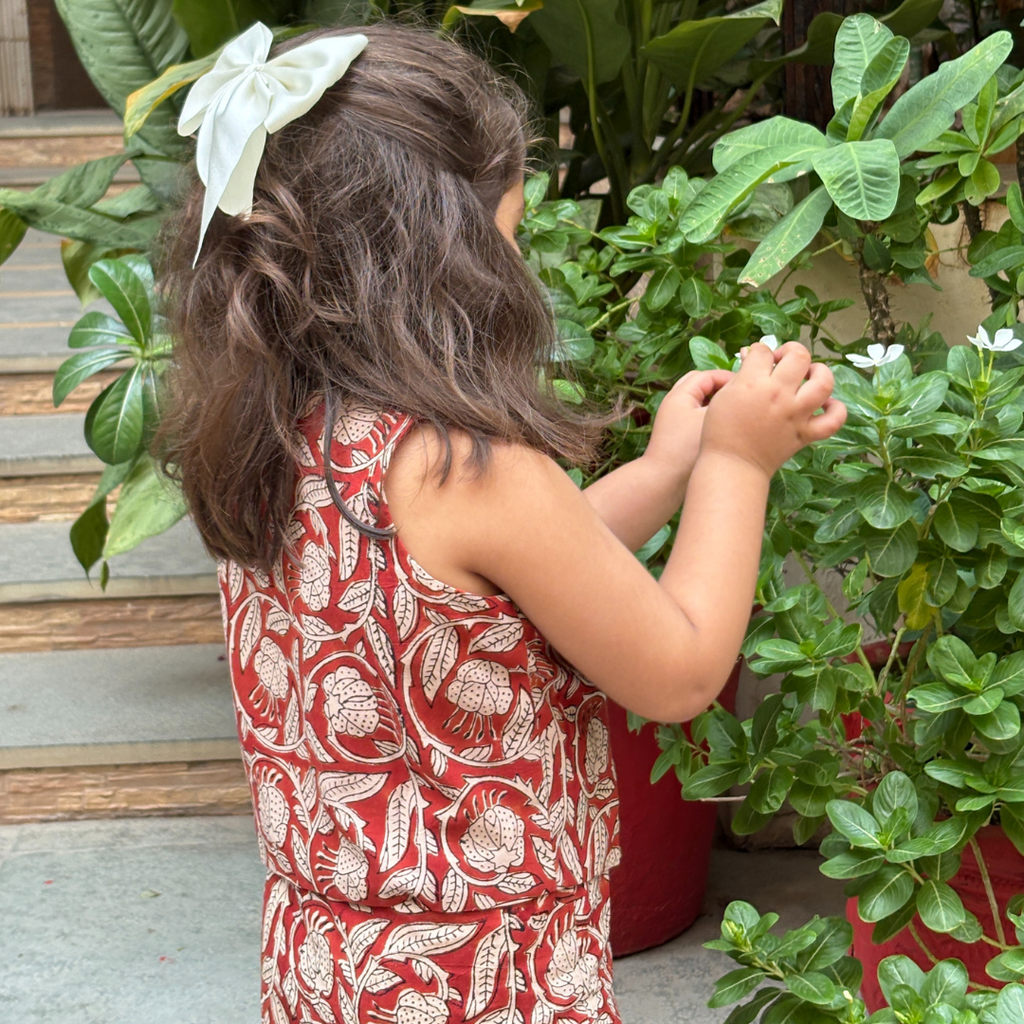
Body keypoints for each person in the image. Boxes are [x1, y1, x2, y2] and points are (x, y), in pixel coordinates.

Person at [157, 19, 847, 1024]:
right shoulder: (466, 462)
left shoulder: (282, 431)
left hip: (332, 969)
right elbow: (680, 669)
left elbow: (489, 594)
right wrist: (739, 462)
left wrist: (661, 472)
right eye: (509, 238)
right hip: (485, 980)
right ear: (442, 259)